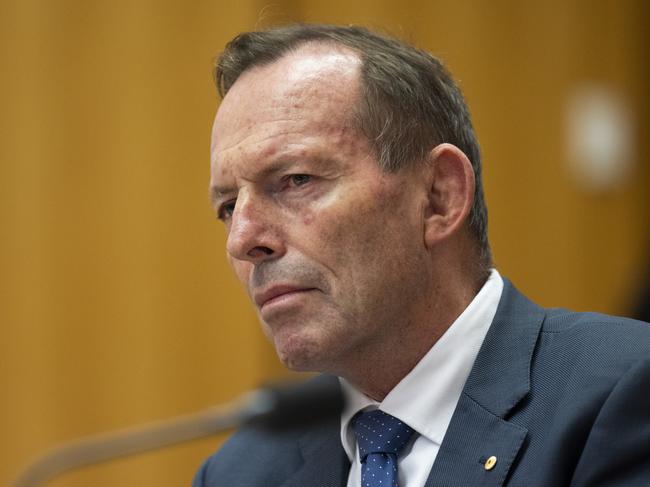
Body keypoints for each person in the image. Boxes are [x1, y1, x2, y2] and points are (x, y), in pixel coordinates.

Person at [194, 24, 650, 486]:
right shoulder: (240, 472)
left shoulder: (623, 393)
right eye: (228, 207)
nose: (243, 239)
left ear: (438, 197)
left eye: (296, 180)